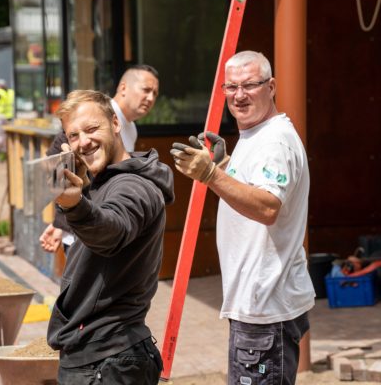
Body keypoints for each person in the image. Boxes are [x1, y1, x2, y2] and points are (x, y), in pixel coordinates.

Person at [170, 50, 315, 384]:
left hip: (266, 307)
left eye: (250, 85)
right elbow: (256, 187)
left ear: (272, 86)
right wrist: (223, 166)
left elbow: (267, 207)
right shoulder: (256, 134)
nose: (239, 95)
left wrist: (210, 175)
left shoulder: (274, 141)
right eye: (231, 87)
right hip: (258, 306)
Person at [42, 90, 174, 384]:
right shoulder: (101, 181)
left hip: (107, 360)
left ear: (115, 123)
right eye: (73, 135)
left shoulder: (132, 187)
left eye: (91, 129)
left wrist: (75, 206)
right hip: (101, 355)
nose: (83, 142)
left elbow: (112, 231)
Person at [40, 64, 159, 254]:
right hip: (83, 236)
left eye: (155, 93)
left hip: (110, 229)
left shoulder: (131, 128)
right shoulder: (94, 112)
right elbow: (54, 165)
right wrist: (62, 222)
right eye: (146, 90)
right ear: (123, 88)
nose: (151, 98)